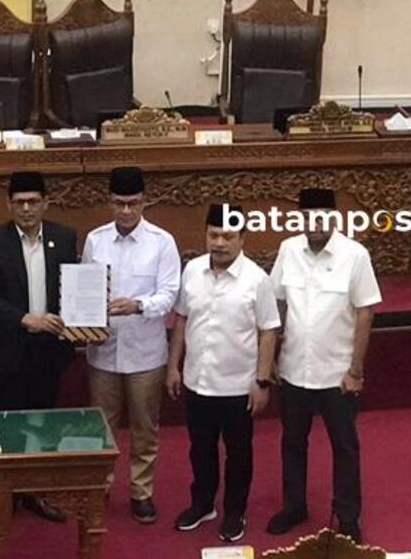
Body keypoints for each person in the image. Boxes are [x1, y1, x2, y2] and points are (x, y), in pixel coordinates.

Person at [266, 188, 381, 543]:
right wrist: (269, 357)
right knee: (292, 442)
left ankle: (347, 515)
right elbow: (276, 304)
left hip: (337, 373)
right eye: (308, 215)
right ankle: (294, 506)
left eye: (322, 215)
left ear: (334, 218)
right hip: (294, 368)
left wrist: (356, 369)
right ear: (299, 219)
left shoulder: (354, 255)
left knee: (345, 446)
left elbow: (365, 312)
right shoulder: (288, 249)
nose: (315, 222)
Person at [167, 204, 280, 542]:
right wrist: (173, 366)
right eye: (214, 235)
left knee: (238, 453)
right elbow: (182, 320)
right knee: (199, 448)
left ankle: (234, 511)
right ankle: (203, 504)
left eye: (228, 236)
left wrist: (262, 381)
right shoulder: (192, 271)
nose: (219, 243)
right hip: (197, 381)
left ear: (242, 238)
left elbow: (269, 331)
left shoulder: (257, 279)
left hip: (237, 385)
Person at [0, 170, 78, 523]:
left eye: (33, 201)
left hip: (50, 350)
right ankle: (9, 493)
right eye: (19, 202)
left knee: (44, 423)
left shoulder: (65, 238)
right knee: (9, 425)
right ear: (9, 205)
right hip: (8, 349)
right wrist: (26, 319)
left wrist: (81, 316)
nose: (26, 208)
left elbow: (74, 288)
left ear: (45, 203)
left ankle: (37, 491)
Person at [82, 166, 180, 524]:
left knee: (144, 427)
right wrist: (89, 320)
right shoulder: (95, 240)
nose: (126, 211)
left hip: (146, 352)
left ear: (144, 201)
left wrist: (138, 305)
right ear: (109, 202)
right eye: (120, 204)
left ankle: (141, 492)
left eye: (133, 203)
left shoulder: (162, 242)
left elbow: (170, 294)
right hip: (103, 351)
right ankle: (101, 485)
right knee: (101, 426)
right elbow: (85, 289)